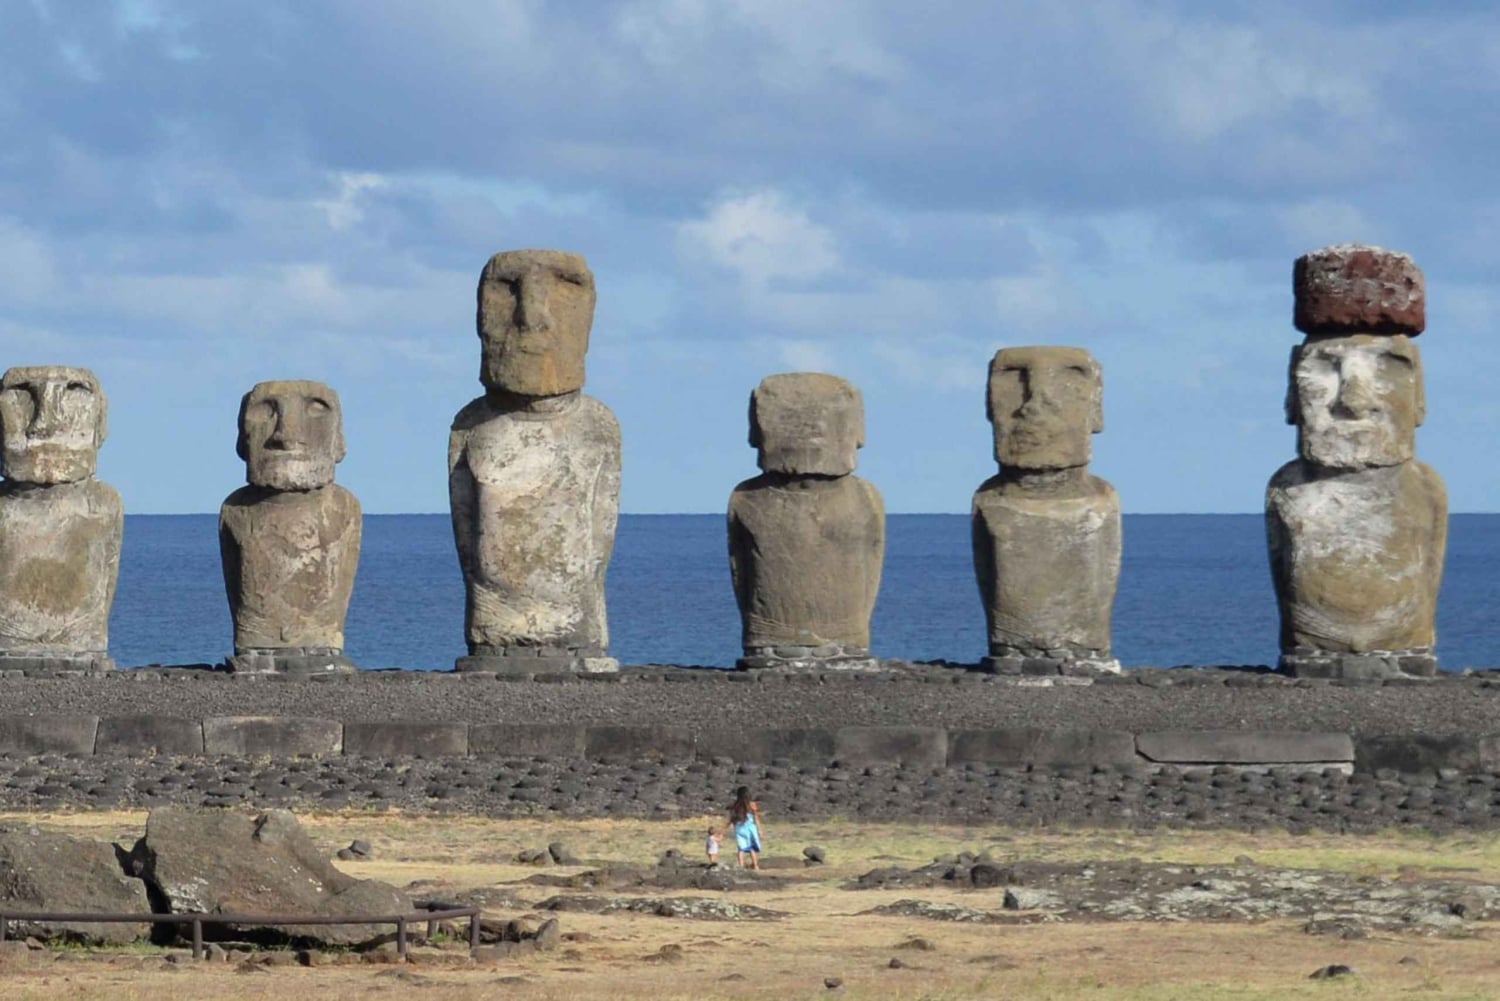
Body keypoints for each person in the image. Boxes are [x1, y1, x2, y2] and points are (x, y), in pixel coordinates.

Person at [720, 786, 763, 870]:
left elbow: (732, 819)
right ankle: (755, 865)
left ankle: (741, 866)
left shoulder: (736, 805)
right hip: (750, 828)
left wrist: (723, 830)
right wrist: (759, 829)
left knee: (741, 849)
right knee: (752, 848)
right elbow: (756, 817)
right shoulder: (752, 804)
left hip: (740, 828)